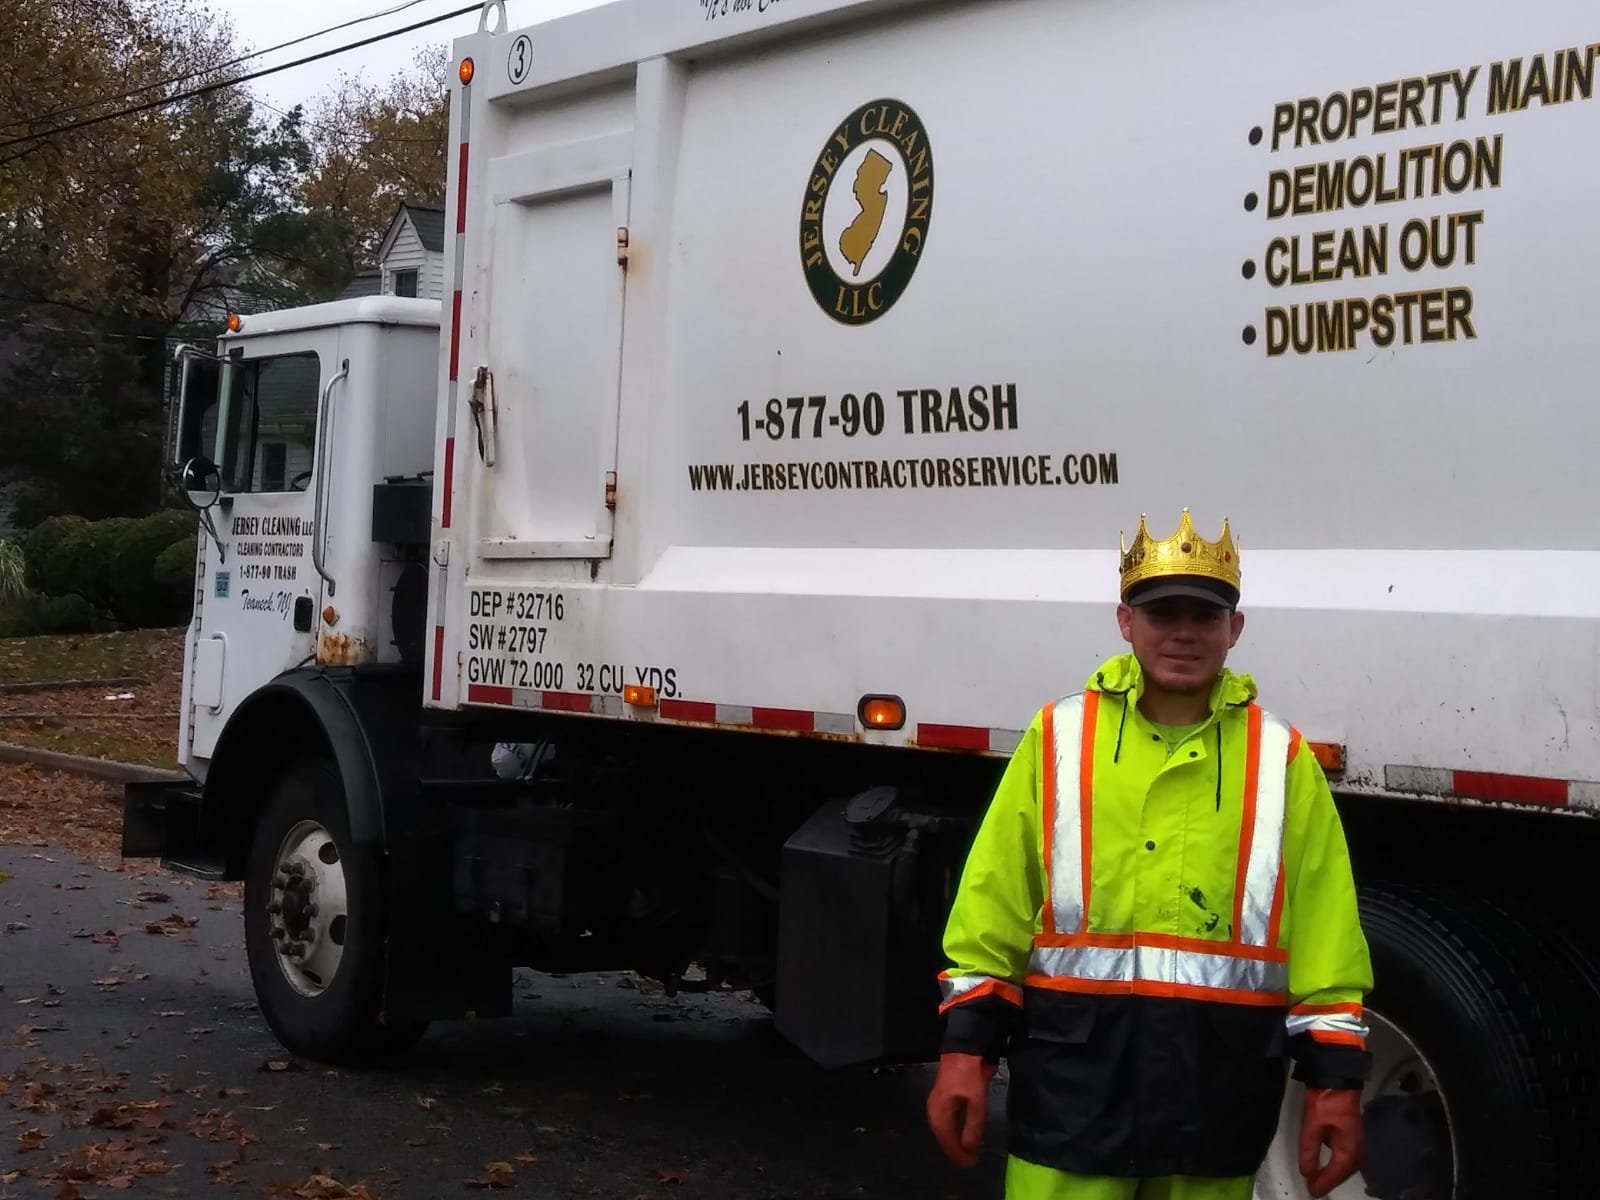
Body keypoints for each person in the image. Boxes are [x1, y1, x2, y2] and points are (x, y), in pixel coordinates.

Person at [926, 509, 1373, 1200]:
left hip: (1214, 1106)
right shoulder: (1058, 737)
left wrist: (1336, 1087)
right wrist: (964, 1052)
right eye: (1163, 612)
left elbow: (1327, 935)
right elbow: (992, 907)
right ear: (1125, 621)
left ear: (1236, 629)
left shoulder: (1280, 760)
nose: (1185, 633)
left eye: (1206, 614)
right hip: (1072, 1098)